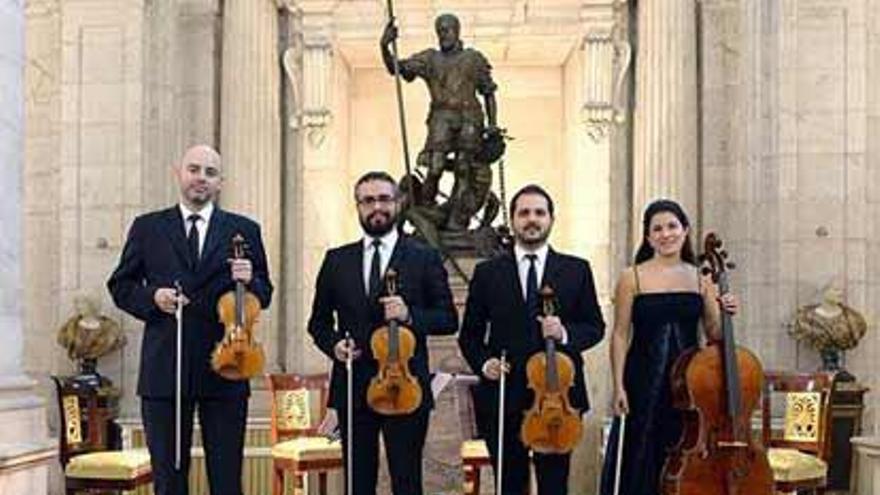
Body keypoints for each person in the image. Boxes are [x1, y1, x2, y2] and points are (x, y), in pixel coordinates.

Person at [107, 145, 273, 495]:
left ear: (220, 182)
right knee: (169, 479)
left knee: (227, 480)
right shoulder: (148, 227)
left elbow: (265, 293)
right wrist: (153, 297)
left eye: (210, 173)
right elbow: (120, 286)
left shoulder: (244, 230)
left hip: (227, 364)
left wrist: (250, 281)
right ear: (178, 173)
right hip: (165, 368)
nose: (201, 178)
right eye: (194, 169)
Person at [307, 171, 458, 495]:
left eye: (384, 199)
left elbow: (448, 319)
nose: (377, 207)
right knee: (358, 483)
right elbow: (317, 323)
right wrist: (335, 346)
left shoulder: (424, 257)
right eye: (369, 200)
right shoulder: (337, 260)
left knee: (407, 481)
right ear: (358, 206)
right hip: (353, 384)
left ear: (399, 202)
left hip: (406, 387)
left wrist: (409, 315)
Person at [458, 184, 605, 495]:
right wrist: (484, 364)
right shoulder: (487, 273)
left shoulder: (576, 270)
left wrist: (564, 334)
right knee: (510, 485)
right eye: (524, 213)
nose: (532, 219)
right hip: (504, 395)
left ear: (551, 219)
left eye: (539, 212)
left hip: (558, 399)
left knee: (554, 485)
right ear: (512, 220)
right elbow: (469, 335)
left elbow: (594, 327)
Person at [599, 199, 737, 495]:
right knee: (640, 453)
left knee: (683, 448)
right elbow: (621, 334)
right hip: (642, 380)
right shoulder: (631, 277)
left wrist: (724, 309)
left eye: (672, 226)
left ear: (685, 230)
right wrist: (619, 386)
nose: (666, 234)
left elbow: (713, 333)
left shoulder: (702, 278)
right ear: (648, 237)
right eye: (657, 229)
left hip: (689, 385)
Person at [380, 13, 499, 229]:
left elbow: (488, 92)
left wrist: (492, 124)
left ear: (457, 30)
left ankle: (458, 220)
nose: (443, 34)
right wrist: (384, 46)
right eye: (440, 30)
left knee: (464, 168)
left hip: (470, 117)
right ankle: (425, 212)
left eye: (447, 29)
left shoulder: (473, 58)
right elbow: (395, 68)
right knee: (434, 167)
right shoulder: (430, 59)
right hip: (440, 117)